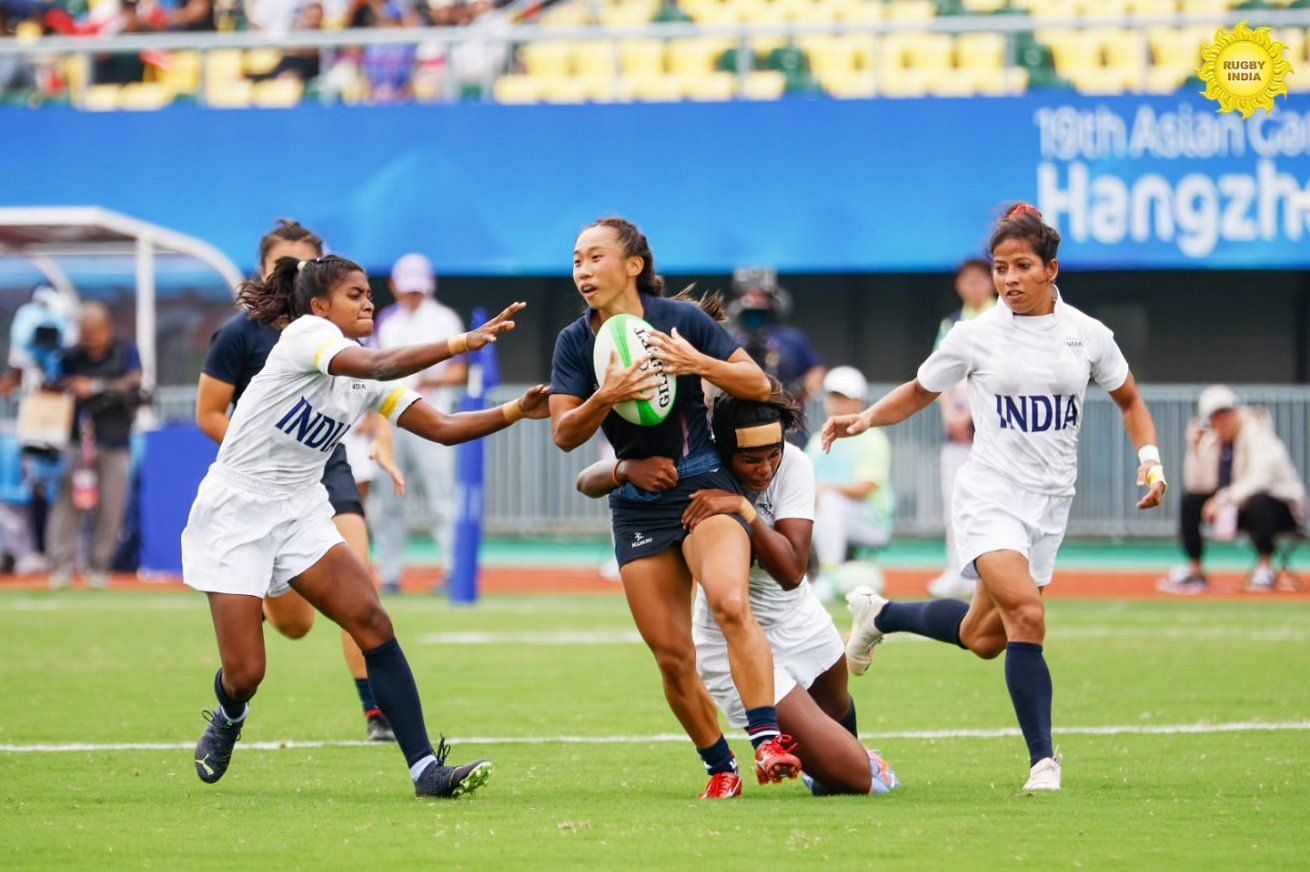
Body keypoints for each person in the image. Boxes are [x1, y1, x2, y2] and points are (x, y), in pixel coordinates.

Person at [823, 203, 1168, 792]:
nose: (1008, 278)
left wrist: (1150, 461)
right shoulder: (975, 336)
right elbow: (919, 389)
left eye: (1022, 266)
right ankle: (1043, 762)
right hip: (989, 496)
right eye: (1001, 267)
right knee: (1028, 618)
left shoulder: (1088, 336)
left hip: (1050, 503)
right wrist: (867, 419)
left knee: (985, 638)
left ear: (1050, 270)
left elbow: (1130, 400)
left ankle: (880, 615)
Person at [185, 253, 547, 797]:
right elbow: (379, 367)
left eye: (369, 294)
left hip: (300, 509)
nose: (369, 302)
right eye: (355, 294)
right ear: (318, 305)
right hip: (237, 510)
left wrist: (516, 409)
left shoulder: (366, 371)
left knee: (373, 622)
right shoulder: (307, 336)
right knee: (247, 673)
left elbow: (444, 427)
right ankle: (230, 713)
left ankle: (426, 771)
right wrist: (458, 344)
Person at [549, 217, 800, 799]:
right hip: (637, 504)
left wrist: (697, 364)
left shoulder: (679, 321)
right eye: (576, 260)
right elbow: (563, 432)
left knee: (730, 601)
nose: (582, 271)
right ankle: (720, 768)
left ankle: (766, 742)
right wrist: (606, 400)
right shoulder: (574, 341)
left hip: (703, 485)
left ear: (633, 265)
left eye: (595, 257)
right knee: (671, 657)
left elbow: (756, 384)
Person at [576, 383, 900, 796]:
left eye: (772, 455)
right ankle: (831, 763)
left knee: (837, 706)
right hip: (733, 638)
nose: (765, 468)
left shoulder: (795, 464)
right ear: (720, 455)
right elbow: (587, 478)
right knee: (855, 780)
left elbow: (792, 571)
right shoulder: (698, 466)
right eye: (750, 460)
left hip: (797, 613)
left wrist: (742, 507)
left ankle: (836, 757)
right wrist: (625, 470)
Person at [196, 219, 404, 742]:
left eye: (303, 265)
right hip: (258, 486)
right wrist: (260, 469)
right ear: (265, 269)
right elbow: (209, 413)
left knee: (362, 588)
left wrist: (383, 438)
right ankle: (260, 582)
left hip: (325, 470)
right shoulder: (241, 335)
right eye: (280, 264)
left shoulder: (341, 333)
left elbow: (372, 387)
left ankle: (376, 713)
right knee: (294, 625)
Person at [371, 252, 466, 594]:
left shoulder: (444, 319)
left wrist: (432, 380)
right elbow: (373, 371)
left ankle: (454, 570)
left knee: (442, 496)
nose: (412, 295)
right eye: (407, 289)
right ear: (394, 286)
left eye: (418, 289)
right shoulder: (386, 321)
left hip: (432, 419)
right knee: (388, 500)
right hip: (392, 420)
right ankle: (390, 574)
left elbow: (459, 369)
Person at [1159, 385, 1306, 595]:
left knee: (1259, 501)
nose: (1222, 421)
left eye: (1225, 413)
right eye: (1216, 417)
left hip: (1283, 510)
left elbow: (1260, 479)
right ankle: (1196, 570)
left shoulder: (1257, 433)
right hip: (1238, 507)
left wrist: (1223, 499)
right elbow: (1197, 484)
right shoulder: (1214, 440)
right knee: (1190, 500)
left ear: (1235, 411)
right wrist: (1195, 449)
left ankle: (1265, 568)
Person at [46, 301, 142, 590]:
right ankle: (61, 566)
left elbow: (135, 381)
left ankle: (99, 567)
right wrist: (69, 386)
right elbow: (52, 383)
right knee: (68, 502)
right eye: (84, 334)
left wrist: (96, 387)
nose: (90, 341)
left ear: (106, 329)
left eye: (94, 334)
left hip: (115, 438)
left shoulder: (125, 349)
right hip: (78, 439)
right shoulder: (71, 355)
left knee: (111, 506)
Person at [927, 258, 997, 601]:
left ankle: (985, 570)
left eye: (980, 280)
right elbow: (940, 375)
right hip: (955, 432)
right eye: (967, 281)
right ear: (959, 286)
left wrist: (974, 416)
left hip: (992, 431)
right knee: (954, 501)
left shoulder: (1004, 318)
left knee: (990, 502)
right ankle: (956, 568)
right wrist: (950, 419)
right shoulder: (951, 323)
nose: (974, 286)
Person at [804, 366, 893, 598]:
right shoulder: (817, 440)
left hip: (870, 522)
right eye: (833, 397)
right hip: (825, 514)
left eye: (843, 398)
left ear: (859, 402)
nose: (836, 403)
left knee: (831, 501)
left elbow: (866, 489)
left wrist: (824, 491)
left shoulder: (873, 439)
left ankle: (828, 577)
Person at [728, 267, 824, 445]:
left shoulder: (791, 338)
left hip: (788, 426)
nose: (755, 302)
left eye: (761, 296)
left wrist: (800, 389)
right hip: (740, 424)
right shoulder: (730, 337)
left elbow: (817, 370)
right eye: (750, 295)